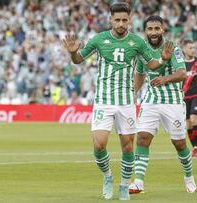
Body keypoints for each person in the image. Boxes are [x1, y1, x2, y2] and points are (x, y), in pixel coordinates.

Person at [62, 2, 173, 200]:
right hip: (104, 100)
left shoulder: (137, 42)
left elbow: (153, 65)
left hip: (126, 101)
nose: (121, 23)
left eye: (124, 20)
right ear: (111, 20)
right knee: (99, 145)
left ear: (129, 20)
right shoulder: (99, 39)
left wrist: (164, 59)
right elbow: (78, 59)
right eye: (117, 20)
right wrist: (72, 52)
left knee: (128, 147)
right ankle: (107, 177)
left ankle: (123, 185)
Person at [128, 15, 197, 194]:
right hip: (150, 101)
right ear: (145, 31)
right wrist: (132, 94)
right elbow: (140, 75)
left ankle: (189, 180)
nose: (153, 32)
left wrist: (165, 79)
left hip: (172, 102)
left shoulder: (172, 48)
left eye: (156, 28)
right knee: (142, 137)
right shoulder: (141, 49)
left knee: (180, 143)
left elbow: (183, 73)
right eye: (150, 29)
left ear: (162, 29)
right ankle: (138, 183)